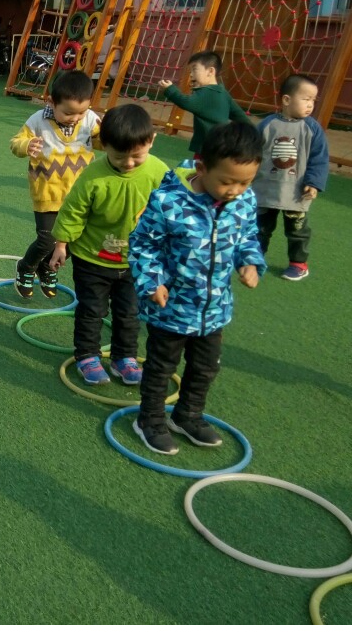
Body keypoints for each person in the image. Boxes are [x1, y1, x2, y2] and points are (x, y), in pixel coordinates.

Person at [129, 121, 265, 455]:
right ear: (202, 168)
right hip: (171, 307)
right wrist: (153, 281)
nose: (235, 190)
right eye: (227, 181)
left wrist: (249, 262)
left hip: (214, 309)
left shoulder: (245, 200)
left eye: (245, 181)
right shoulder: (169, 201)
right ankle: (149, 420)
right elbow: (143, 244)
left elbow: (248, 237)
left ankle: (187, 415)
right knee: (161, 368)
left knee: (205, 368)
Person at [49, 104, 170, 387]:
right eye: (118, 157)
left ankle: (124, 357)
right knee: (92, 311)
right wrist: (61, 245)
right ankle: (87, 356)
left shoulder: (160, 172)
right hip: (92, 259)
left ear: (151, 141)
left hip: (136, 262)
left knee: (129, 313)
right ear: (104, 146)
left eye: (137, 156)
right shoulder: (94, 175)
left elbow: (171, 211)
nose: (128, 163)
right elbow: (73, 211)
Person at [9, 70, 101, 300]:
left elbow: (103, 142)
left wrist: (108, 135)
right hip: (47, 191)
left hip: (79, 194)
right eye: (68, 112)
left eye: (81, 111)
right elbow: (16, 142)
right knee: (46, 239)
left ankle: (47, 267)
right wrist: (27, 145)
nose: (75, 118)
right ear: (51, 102)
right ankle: (26, 267)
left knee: (75, 238)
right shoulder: (38, 121)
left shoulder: (91, 119)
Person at [253, 74, 329, 281]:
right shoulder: (267, 124)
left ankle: (298, 263)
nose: (310, 104)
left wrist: (314, 183)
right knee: (260, 228)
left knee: (297, 230)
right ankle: (254, 259)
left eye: (313, 100)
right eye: (306, 99)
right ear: (286, 100)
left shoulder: (312, 128)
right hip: (265, 189)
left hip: (296, 191)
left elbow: (319, 158)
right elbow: (252, 152)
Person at [159, 50, 250, 156]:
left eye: (194, 69)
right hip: (221, 146)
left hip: (207, 148)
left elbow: (186, 102)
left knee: (200, 166)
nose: (191, 75)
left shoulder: (207, 92)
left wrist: (169, 89)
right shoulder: (222, 92)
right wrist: (253, 132)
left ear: (210, 71)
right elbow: (240, 116)